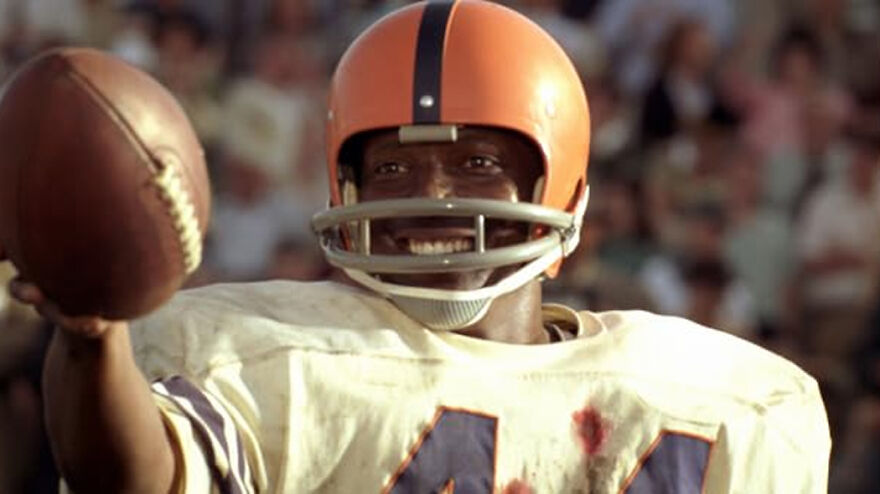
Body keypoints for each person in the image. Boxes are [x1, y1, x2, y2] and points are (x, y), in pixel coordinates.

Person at [2, 1, 830, 492]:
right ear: (347, 190)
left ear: (566, 190)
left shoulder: (734, 401)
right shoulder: (268, 353)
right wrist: (90, 332)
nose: (431, 196)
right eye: (392, 166)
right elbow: (140, 479)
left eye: (476, 164)